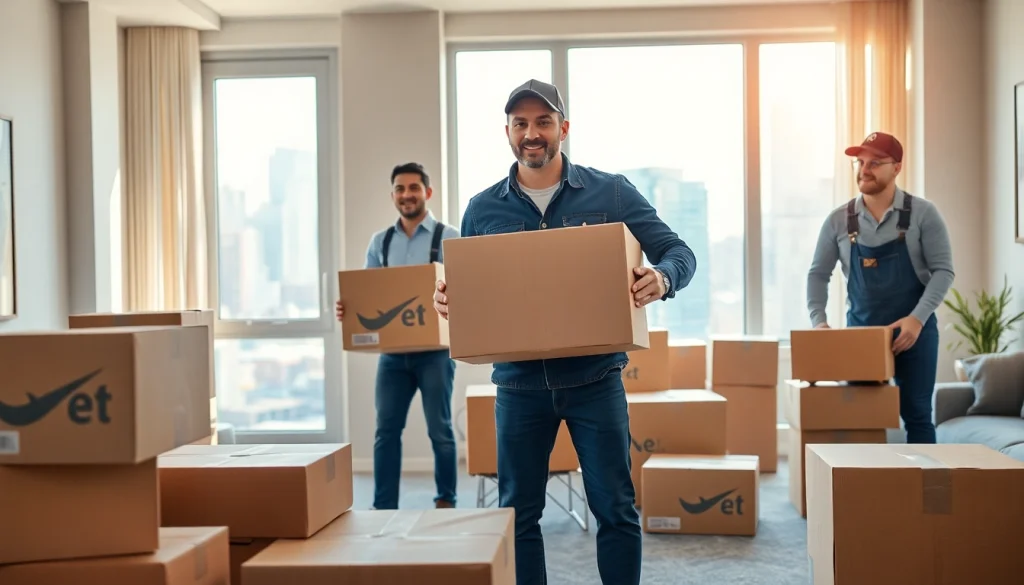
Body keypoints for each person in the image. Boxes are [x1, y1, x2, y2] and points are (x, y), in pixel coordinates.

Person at [432, 79, 697, 585]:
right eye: (521, 124)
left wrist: (661, 279)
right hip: (517, 386)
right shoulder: (483, 209)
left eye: (543, 122)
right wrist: (451, 300)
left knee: (615, 508)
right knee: (519, 516)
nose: (532, 133)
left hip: (594, 380)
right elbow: (471, 293)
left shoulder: (611, 192)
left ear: (564, 129)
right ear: (507, 132)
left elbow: (679, 252)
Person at [806, 131, 954, 444]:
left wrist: (917, 319)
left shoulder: (924, 214)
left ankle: (925, 489)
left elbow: (943, 271)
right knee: (861, 419)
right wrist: (819, 321)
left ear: (897, 167)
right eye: (860, 162)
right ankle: (867, 491)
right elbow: (818, 274)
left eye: (875, 162)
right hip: (862, 335)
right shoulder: (838, 221)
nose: (864, 169)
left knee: (917, 415)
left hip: (914, 334)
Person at [336, 162, 461, 509]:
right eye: (400, 189)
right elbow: (368, 294)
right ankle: (383, 506)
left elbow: (467, 290)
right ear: (393, 195)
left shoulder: (448, 237)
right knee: (385, 432)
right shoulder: (381, 241)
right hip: (393, 356)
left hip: (436, 353)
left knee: (440, 430)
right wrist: (349, 309)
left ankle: (446, 501)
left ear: (427, 192)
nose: (407, 195)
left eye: (413, 188)